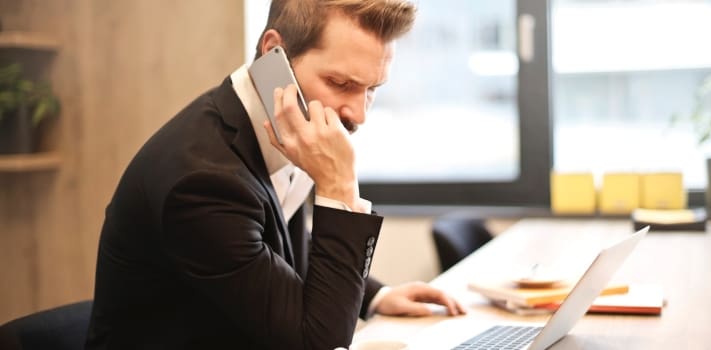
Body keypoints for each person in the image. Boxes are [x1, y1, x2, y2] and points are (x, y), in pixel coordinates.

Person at [85, 0, 465, 349]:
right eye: (340, 83)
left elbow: (278, 251)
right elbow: (318, 344)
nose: (358, 114)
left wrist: (375, 297)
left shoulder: (280, 129)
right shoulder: (200, 183)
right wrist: (339, 188)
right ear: (273, 54)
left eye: (371, 89)